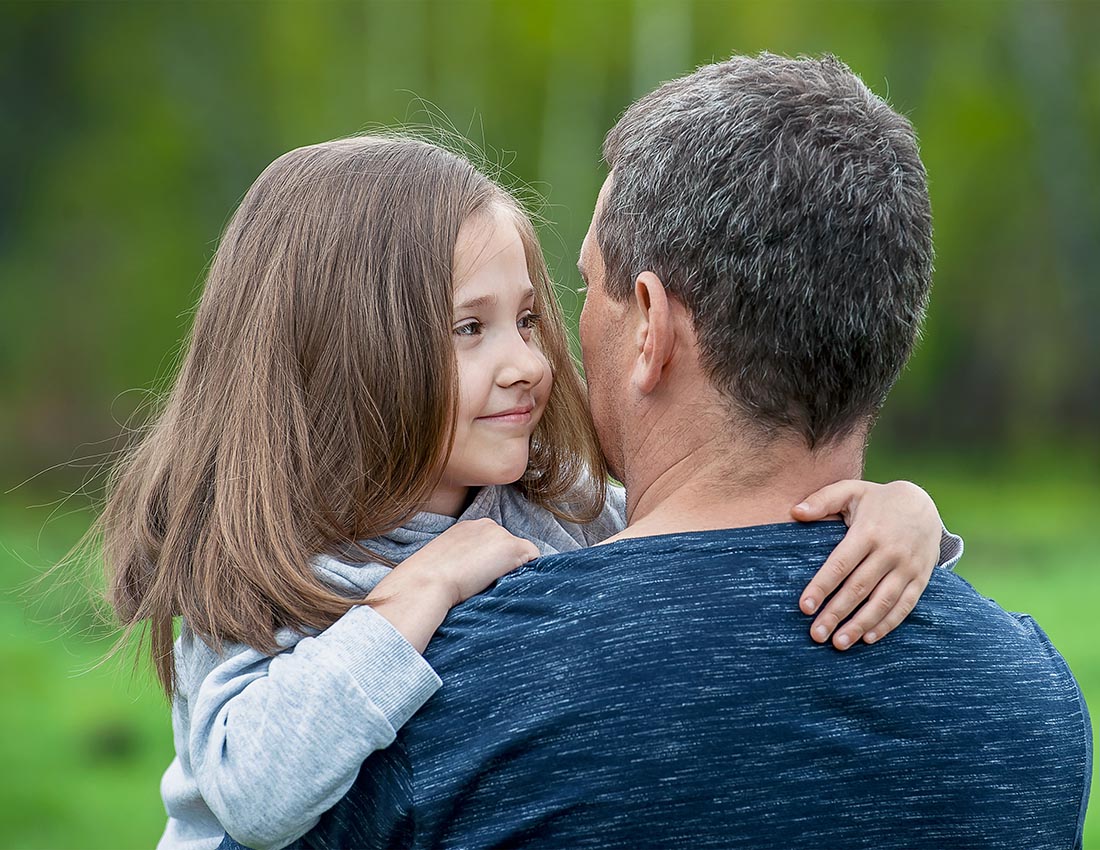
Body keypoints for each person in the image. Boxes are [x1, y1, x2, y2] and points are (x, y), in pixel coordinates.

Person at [285, 54, 1093, 849]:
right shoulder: (1033, 703)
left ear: (651, 327)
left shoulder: (425, 697)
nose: (544, 356)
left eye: (583, 287)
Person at [98, 134, 959, 850]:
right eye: (470, 329)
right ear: (344, 353)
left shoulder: (554, 507)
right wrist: (421, 589)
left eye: (527, 320)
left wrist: (895, 512)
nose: (530, 365)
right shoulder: (270, 561)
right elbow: (257, 793)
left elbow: (704, 538)